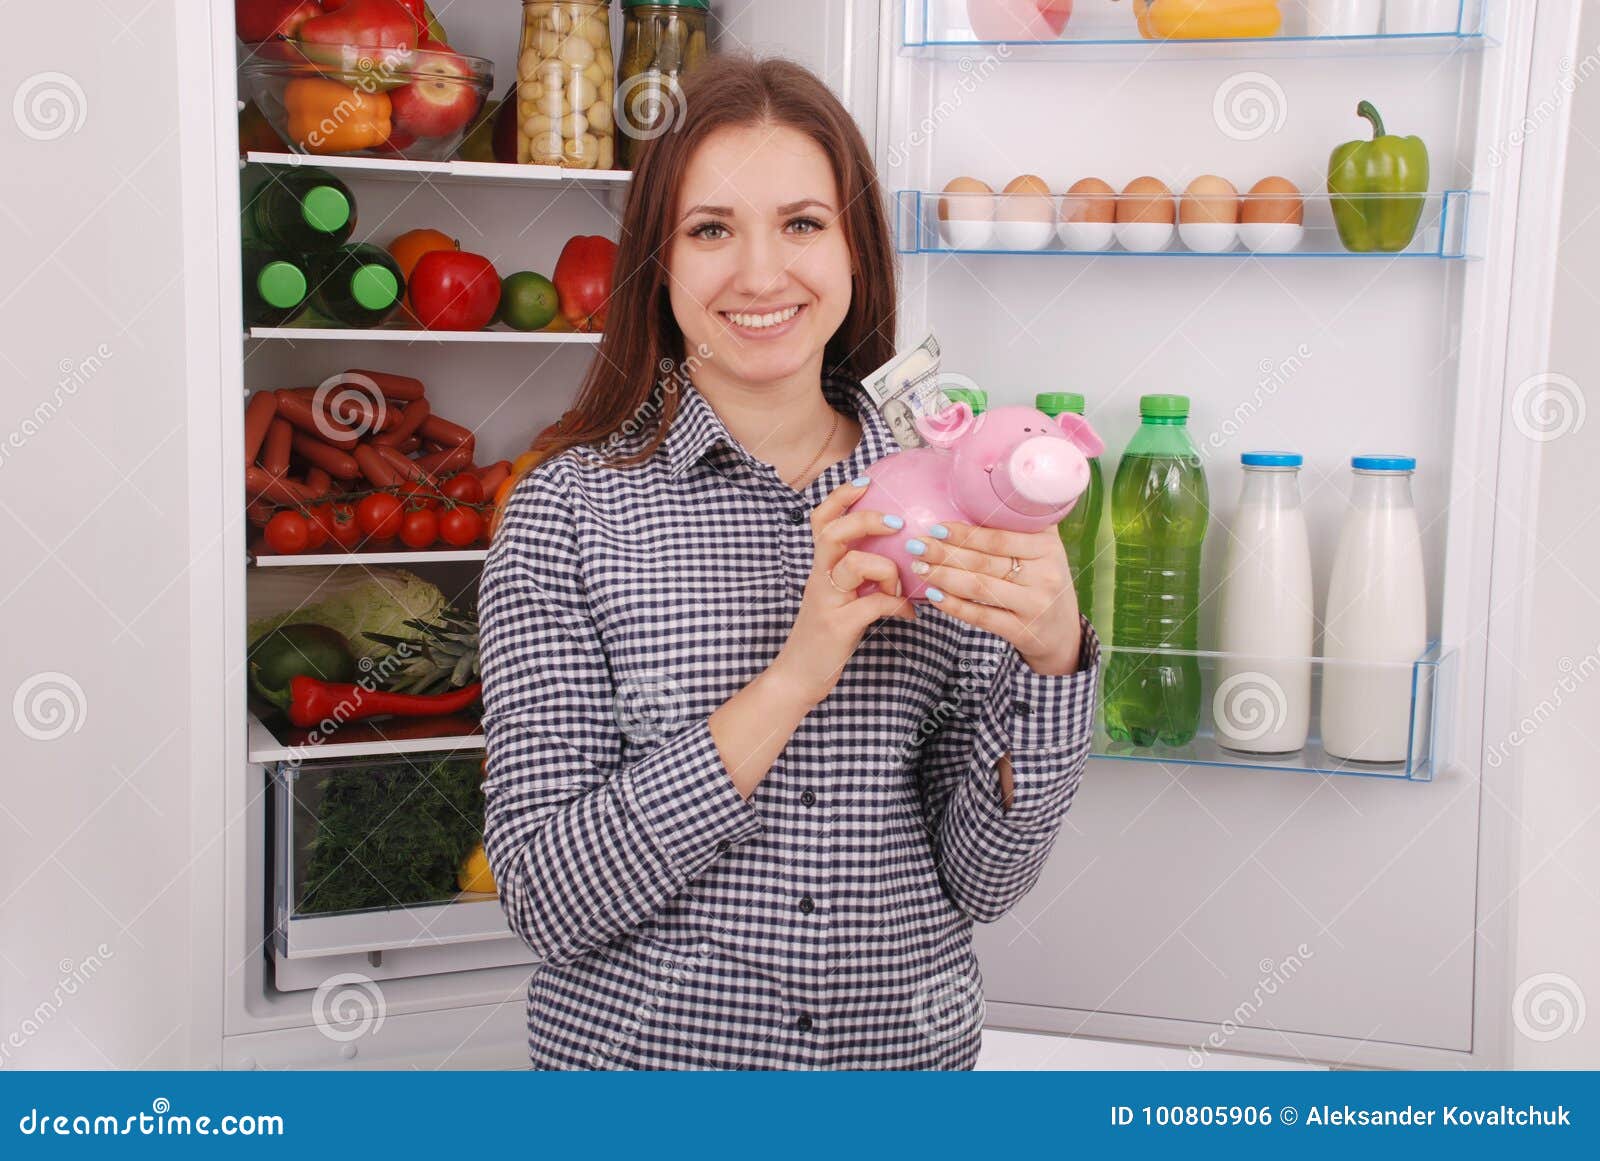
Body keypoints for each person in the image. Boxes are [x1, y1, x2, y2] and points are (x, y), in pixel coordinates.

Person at [479, 55, 1099, 1071]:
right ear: (659, 262)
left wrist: (1052, 664)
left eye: (802, 224)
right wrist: (794, 675)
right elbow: (549, 900)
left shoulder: (948, 498)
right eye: (711, 229)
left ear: (854, 248)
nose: (761, 274)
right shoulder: (568, 513)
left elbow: (983, 883)